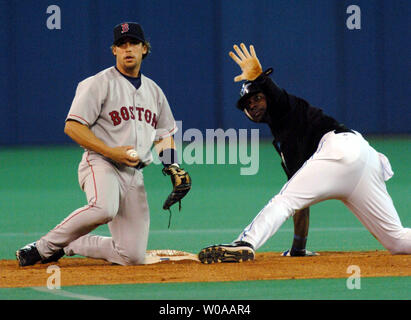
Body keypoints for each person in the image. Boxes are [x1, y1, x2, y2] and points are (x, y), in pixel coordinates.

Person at [198, 43, 411, 263]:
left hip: (340, 149)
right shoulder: (284, 139)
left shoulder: (285, 109)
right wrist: (298, 249)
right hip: (364, 159)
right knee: (397, 241)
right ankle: (266, 246)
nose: (253, 105)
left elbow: (278, 96)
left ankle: (245, 243)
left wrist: (261, 79)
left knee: (283, 201)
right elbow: (301, 203)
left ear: (268, 98)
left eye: (258, 98)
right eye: (248, 104)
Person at [16, 22, 190, 266]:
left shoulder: (155, 92)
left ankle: (71, 243)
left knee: (131, 256)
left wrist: (172, 166)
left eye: (133, 44)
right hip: (101, 163)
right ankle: (42, 247)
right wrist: (111, 151)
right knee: (103, 208)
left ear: (144, 49)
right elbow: (73, 126)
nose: (127, 49)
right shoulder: (98, 83)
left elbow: (164, 134)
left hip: (134, 174)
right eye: (122, 44)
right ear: (114, 51)